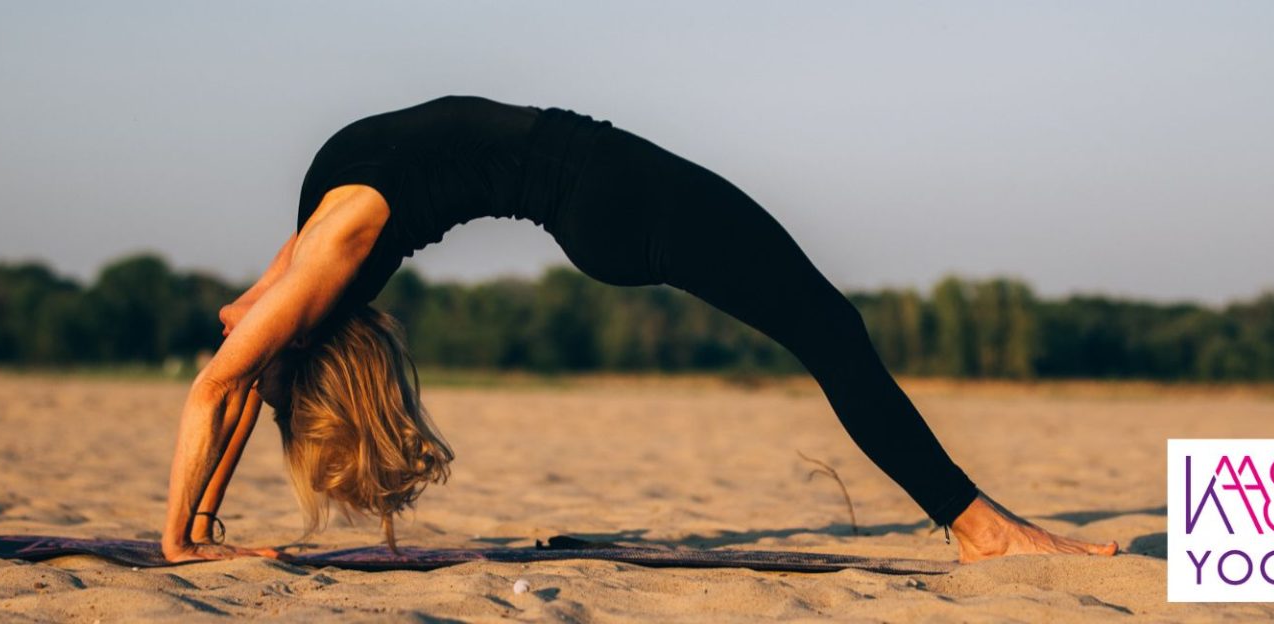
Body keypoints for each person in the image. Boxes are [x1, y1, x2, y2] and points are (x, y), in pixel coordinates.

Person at [161, 95, 1119, 564]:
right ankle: (980, 528)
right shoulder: (336, 242)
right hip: (605, 188)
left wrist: (203, 524)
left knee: (825, 325)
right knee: (829, 325)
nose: (263, 343)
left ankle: (975, 521)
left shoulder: (295, 286)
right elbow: (222, 382)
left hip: (598, 193)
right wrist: (175, 542)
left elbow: (237, 343)